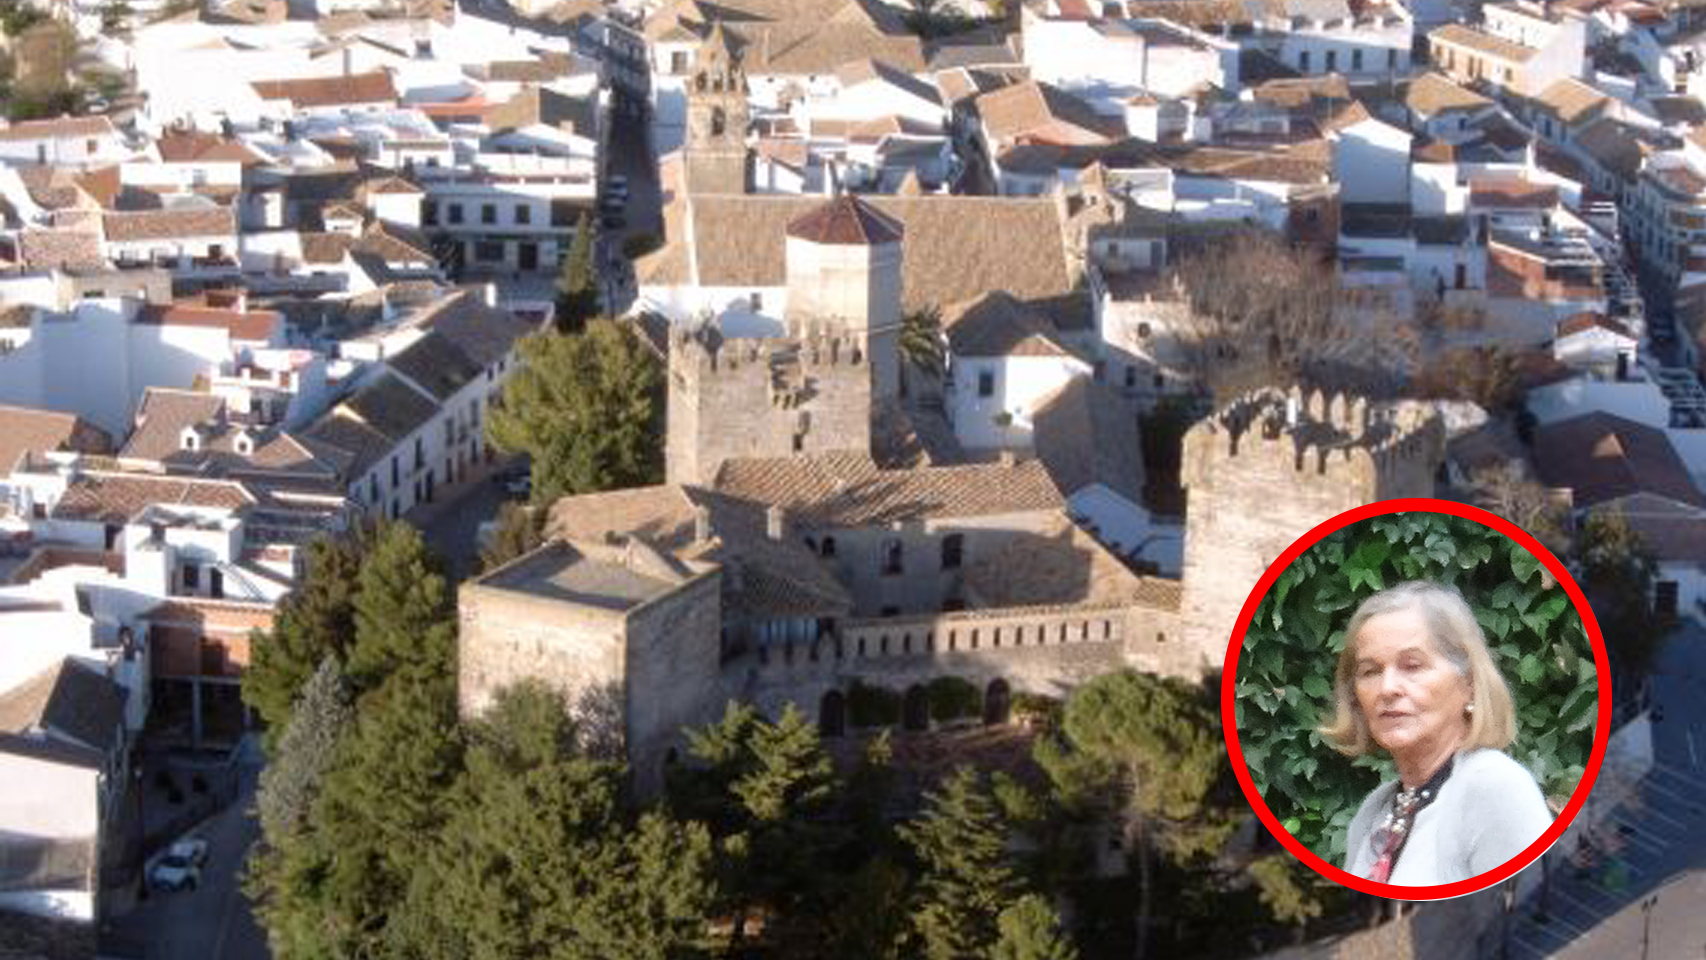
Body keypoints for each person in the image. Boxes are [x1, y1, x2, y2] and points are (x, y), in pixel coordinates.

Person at [1319, 580, 1554, 886]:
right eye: (1370, 671)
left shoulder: (1494, 788)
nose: (1387, 688)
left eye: (1412, 666)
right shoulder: (1374, 812)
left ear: (1468, 682)